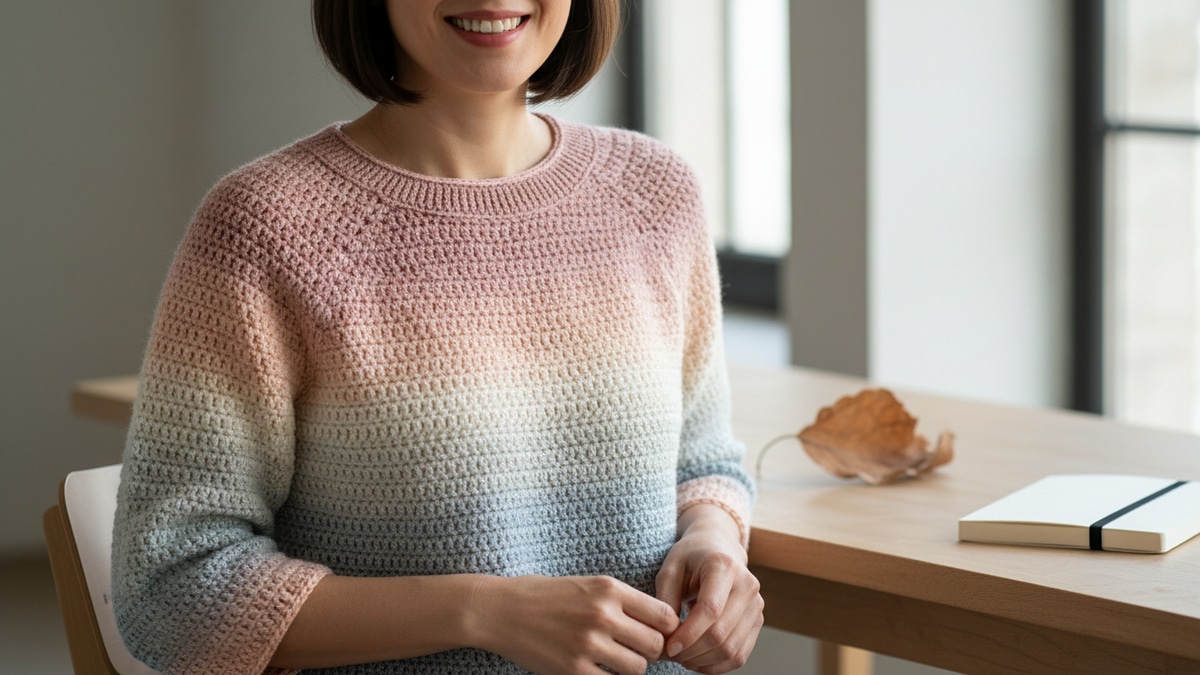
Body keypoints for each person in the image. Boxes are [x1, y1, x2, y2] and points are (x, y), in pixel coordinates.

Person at [111, 0, 762, 673]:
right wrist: (481, 610)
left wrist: (714, 540)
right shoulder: (263, 230)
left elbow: (702, 463)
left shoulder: (656, 193)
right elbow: (171, 588)